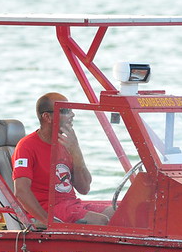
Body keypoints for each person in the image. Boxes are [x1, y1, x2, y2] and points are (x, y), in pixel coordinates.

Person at [12, 92, 111, 226]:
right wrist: (48, 221)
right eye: (65, 110)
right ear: (47, 116)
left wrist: (76, 151)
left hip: (71, 205)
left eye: (71, 109)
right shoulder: (26, 146)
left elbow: (84, 188)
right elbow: (21, 192)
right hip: (49, 208)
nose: (72, 115)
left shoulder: (66, 143)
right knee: (101, 221)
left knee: (119, 213)